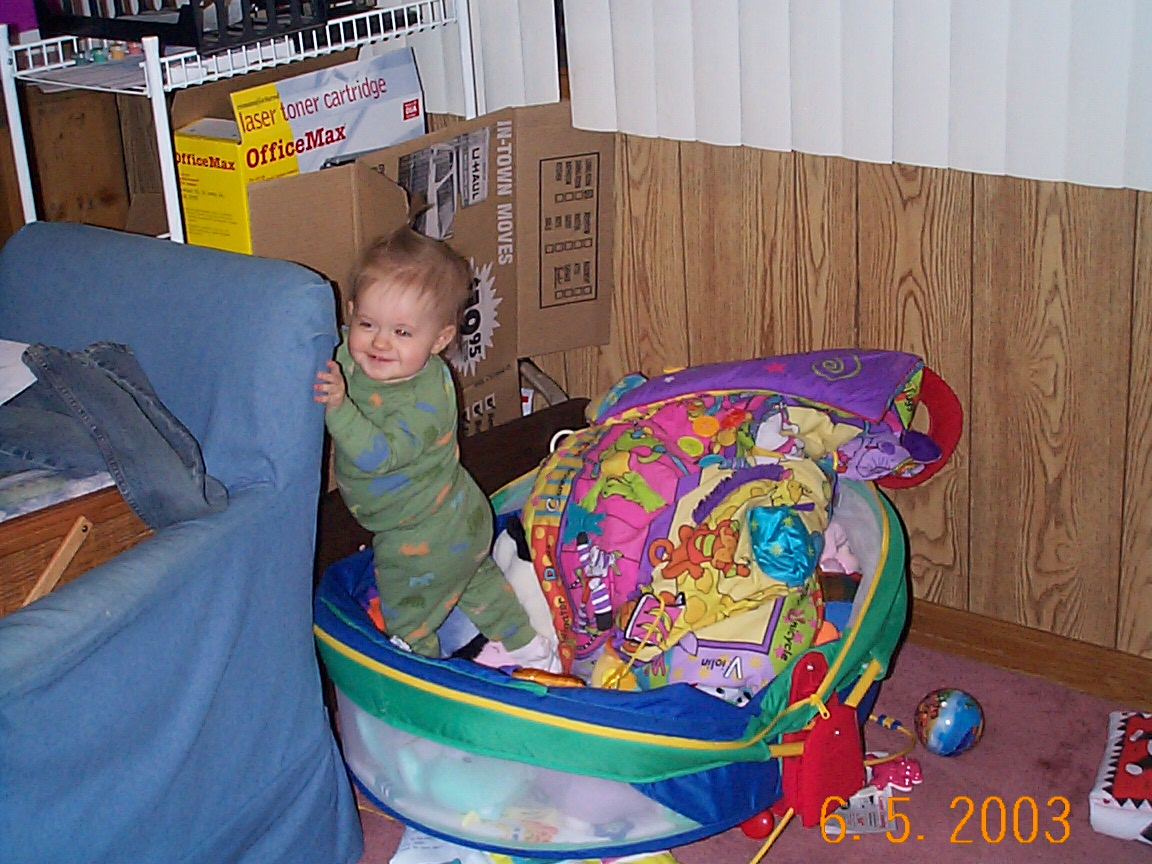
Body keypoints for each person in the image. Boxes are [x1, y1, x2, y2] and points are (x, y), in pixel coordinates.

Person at [314, 225, 557, 669]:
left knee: (407, 621)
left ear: (440, 340)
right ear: (350, 314)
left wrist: (338, 407)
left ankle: (423, 683)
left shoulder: (425, 400)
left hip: (419, 536)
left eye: (403, 333)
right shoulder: (357, 356)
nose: (380, 342)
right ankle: (532, 650)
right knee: (478, 586)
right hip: (458, 520)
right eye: (367, 324)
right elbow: (339, 351)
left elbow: (378, 455)